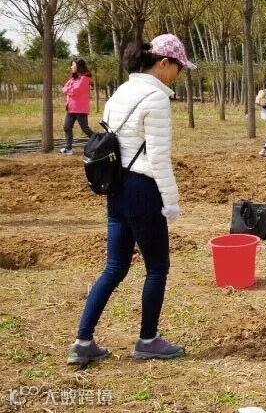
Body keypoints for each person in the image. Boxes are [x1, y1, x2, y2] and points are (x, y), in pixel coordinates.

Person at [68, 34, 196, 366]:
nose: (179, 73)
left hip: (117, 187)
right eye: (178, 67)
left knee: (114, 267)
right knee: (157, 268)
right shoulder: (155, 99)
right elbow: (158, 157)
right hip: (143, 189)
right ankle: (148, 340)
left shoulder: (121, 92)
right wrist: (171, 201)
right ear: (163, 63)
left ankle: (82, 341)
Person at [59, 59, 94, 155]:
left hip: (80, 108)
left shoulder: (84, 78)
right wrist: (67, 89)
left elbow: (76, 90)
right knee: (67, 127)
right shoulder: (74, 78)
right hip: (71, 107)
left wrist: (67, 90)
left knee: (85, 128)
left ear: (79, 66)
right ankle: (68, 149)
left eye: (73, 65)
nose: (71, 67)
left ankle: (99, 142)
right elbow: (64, 87)